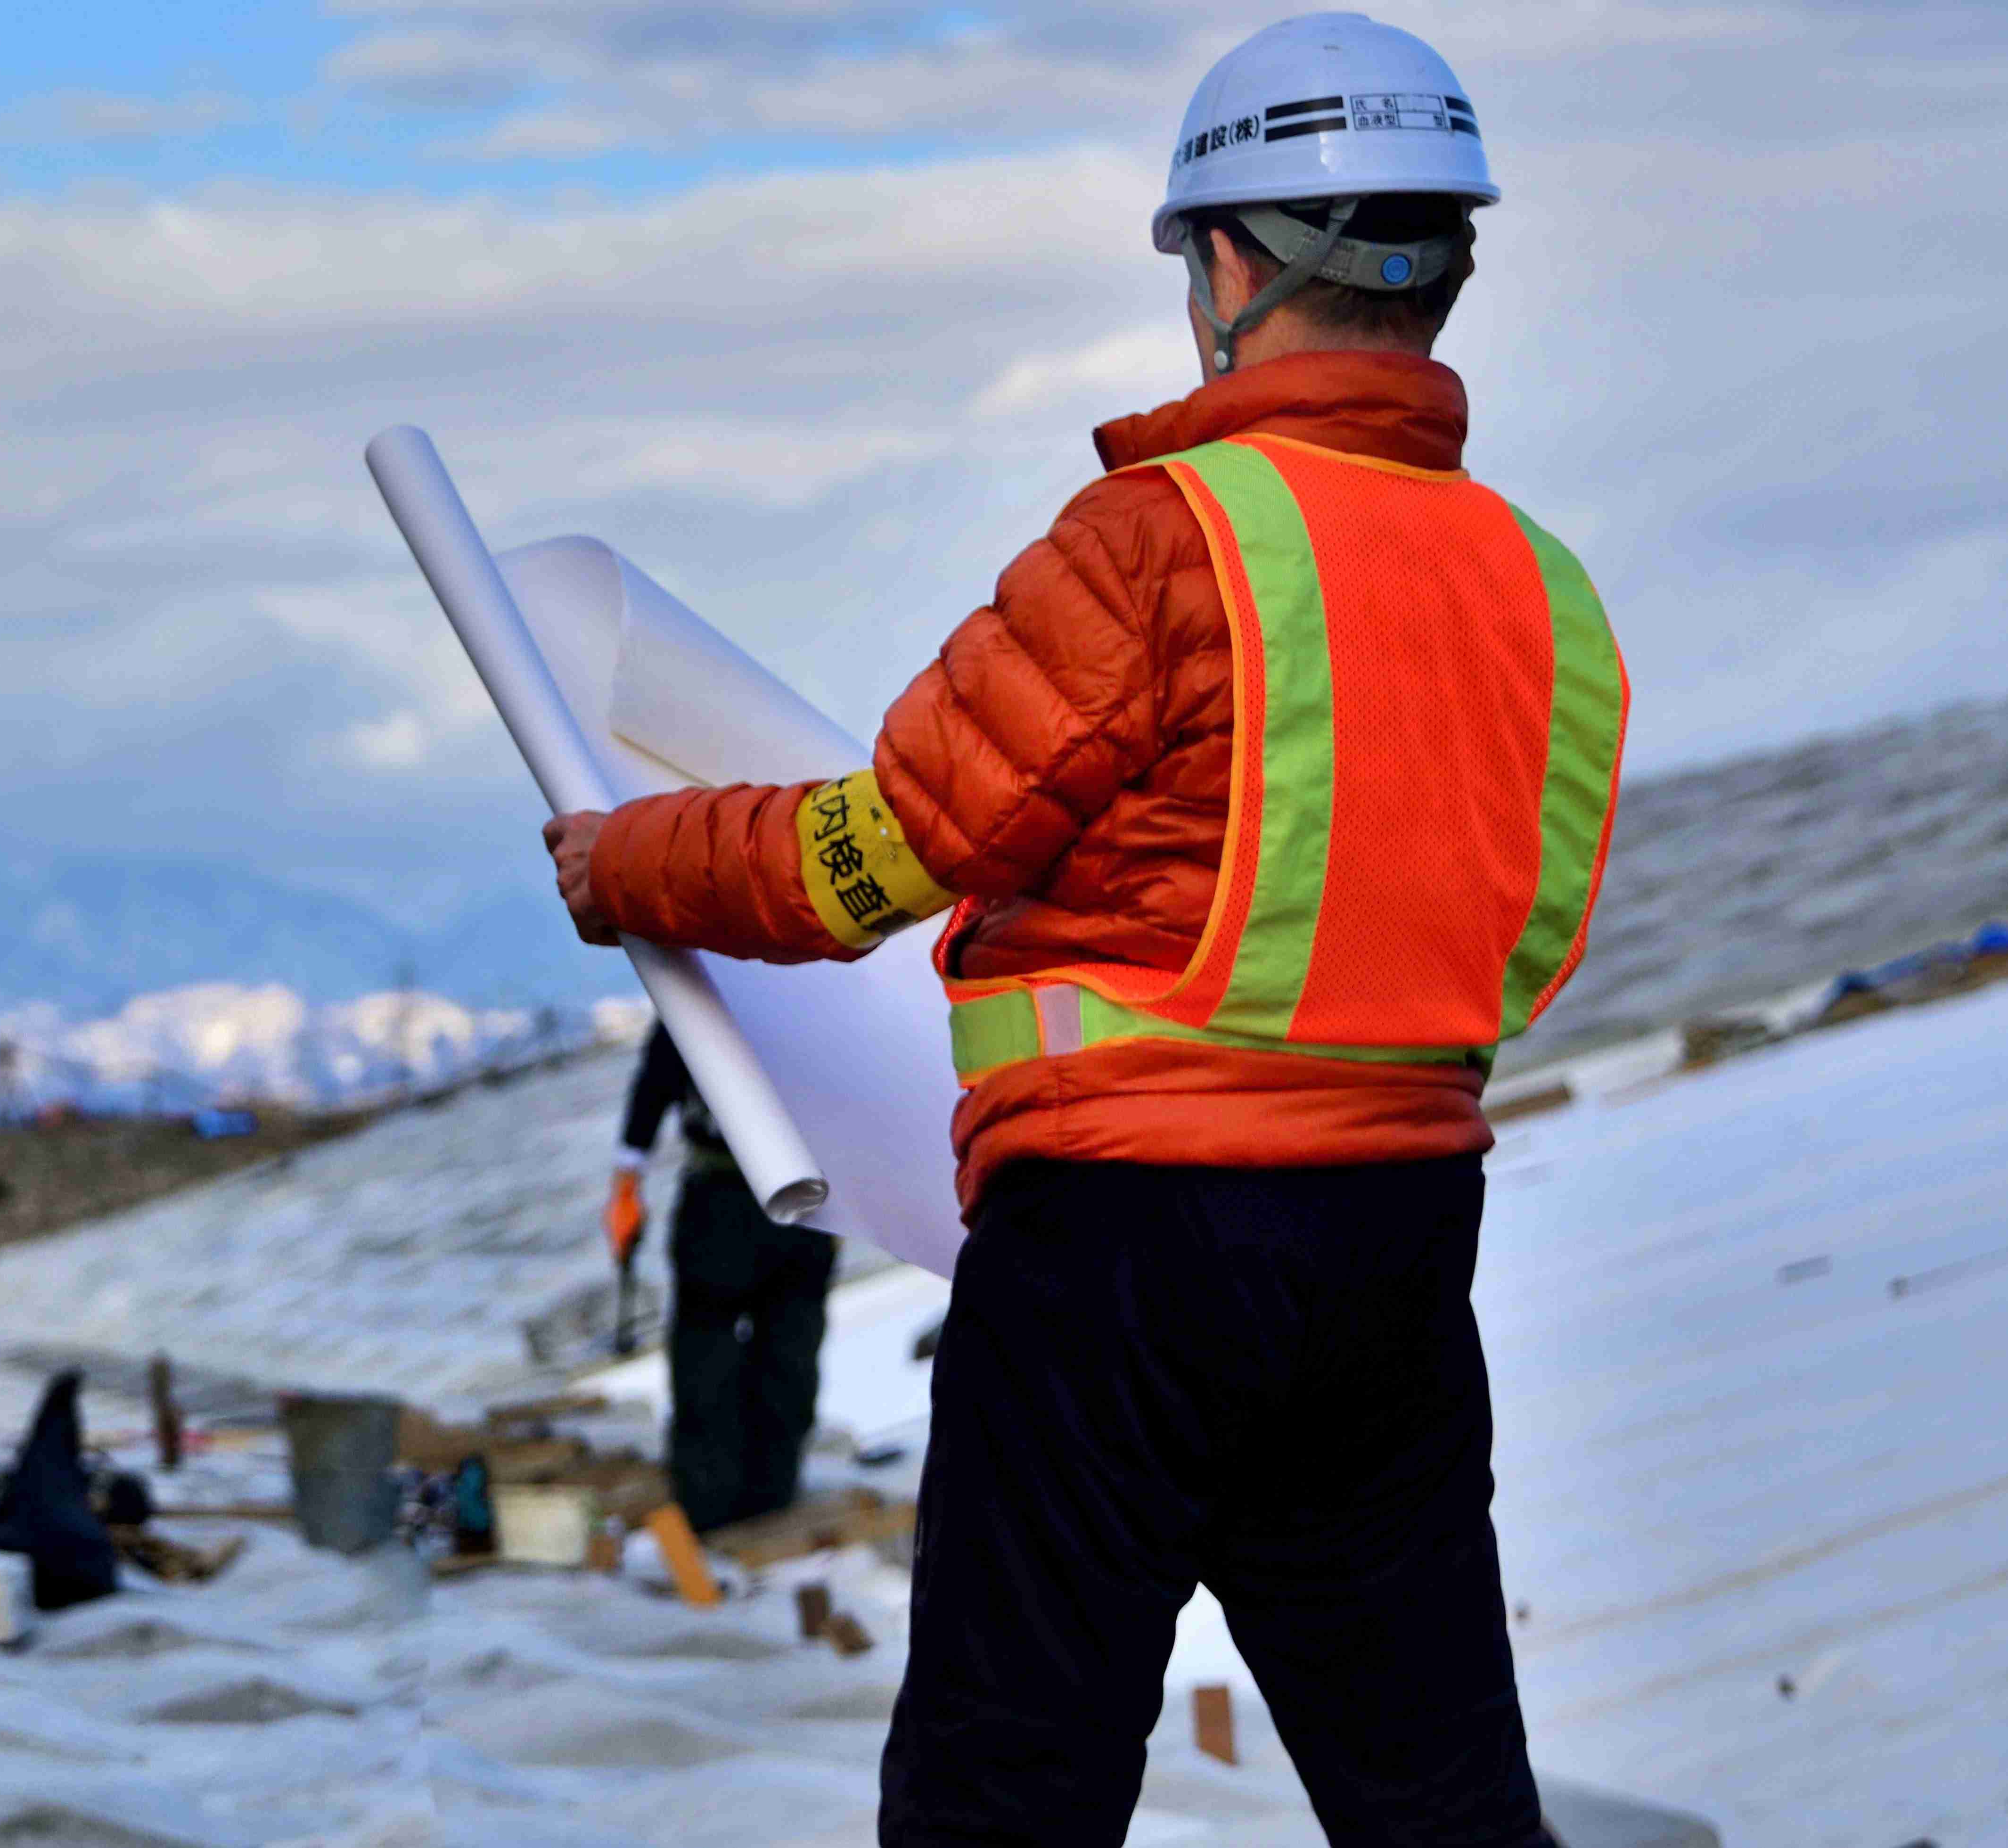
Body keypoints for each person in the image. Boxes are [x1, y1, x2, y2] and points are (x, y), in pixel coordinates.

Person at [540, 15, 1625, 1843]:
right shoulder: (1546, 593)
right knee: (1437, 1800)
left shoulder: (1154, 541)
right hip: (1395, 1263)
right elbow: (1522, 947)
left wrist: (627, 863)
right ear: (1441, 260)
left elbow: (874, 854)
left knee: (1002, 1790)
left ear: (1223, 264)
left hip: (1119, 1260)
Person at [607, 1022, 835, 1535]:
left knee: (782, 1355)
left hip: (790, 1195)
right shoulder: (710, 981)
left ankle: (755, 1505)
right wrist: (626, 1183)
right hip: (743, 1197)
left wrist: (626, 1181)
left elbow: (655, 1080)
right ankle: (723, 1510)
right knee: (731, 1358)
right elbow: (657, 1077)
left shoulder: (724, 977)